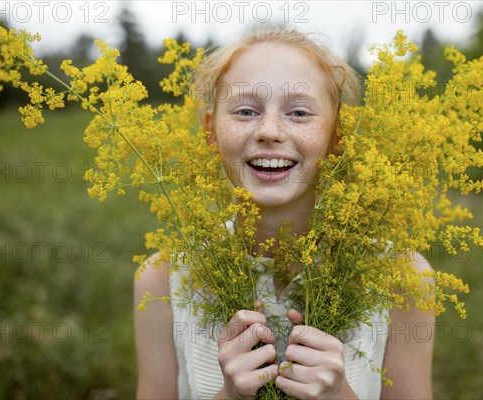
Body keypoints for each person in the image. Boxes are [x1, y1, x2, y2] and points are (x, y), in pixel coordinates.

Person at [134, 28, 434, 400]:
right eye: (245, 111)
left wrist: (339, 395)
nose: (270, 131)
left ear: (337, 133)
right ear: (211, 132)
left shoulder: (401, 276)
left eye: (299, 112)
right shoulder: (162, 280)